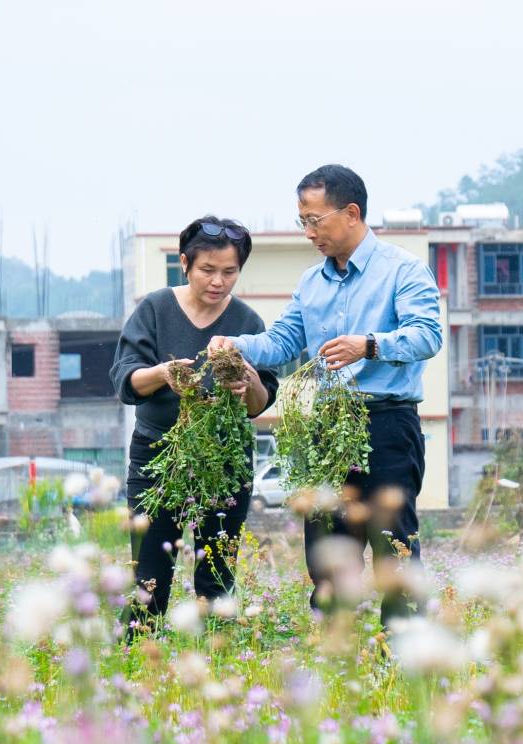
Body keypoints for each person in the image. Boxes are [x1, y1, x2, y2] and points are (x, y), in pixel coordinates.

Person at [208, 165, 442, 627]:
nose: (309, 232)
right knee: (327, 549)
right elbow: (281, 342)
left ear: (351, 213)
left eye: (315, 220)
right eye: (303, 221)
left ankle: (404, 655)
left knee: (392, 545)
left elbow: (427, 336)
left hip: (386, 424)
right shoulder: (312, 282)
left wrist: (369, 344)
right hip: (327, 428)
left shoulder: (403, 270)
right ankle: (335, 653)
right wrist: (234, 344)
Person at [110, 216, 278, 633]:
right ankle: (136, 663)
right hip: (157, 457)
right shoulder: (155, 309)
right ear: (185, 263)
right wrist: (163, 373)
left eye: (229, 271)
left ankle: (218, 664)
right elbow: (125, 380)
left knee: (216, 573)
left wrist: (250, 381)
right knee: (149, 573)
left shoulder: (247, 323)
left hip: (224, 462)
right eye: (207, 270)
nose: (218, 281)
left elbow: (259, 403)